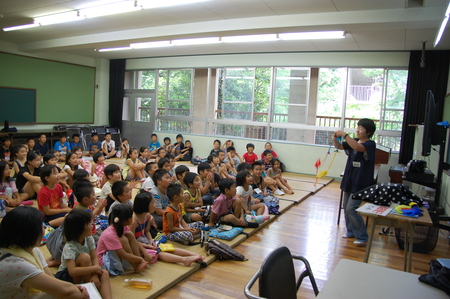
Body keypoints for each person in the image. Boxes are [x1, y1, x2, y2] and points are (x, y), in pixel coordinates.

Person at [0, 206, 90, 299]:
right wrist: (74, 289)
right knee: (73, 293)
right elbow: (67, 291)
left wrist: (73, 288)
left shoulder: (33, 251)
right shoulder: (15, 265)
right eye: (41, 226)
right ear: (31, 234)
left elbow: (52, 279)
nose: (44, 229)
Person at [130, 191, 206, 267]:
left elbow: (146, 232)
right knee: (159, 252)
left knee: (167, 247)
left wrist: (150, 240)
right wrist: (147, 246)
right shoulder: (134, 221)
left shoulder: (147, 216)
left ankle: (193, 254)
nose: (155, 205)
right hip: (138, 246)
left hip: (145, 241)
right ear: (145, 205)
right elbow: (132, 241)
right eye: (153, 203)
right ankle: (184, 260)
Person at [333, 118, 376, 246]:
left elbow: (358, 147)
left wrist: (345, 135)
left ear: (368, 132)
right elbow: (339, 146)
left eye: (361, 128)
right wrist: (335, 138)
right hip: (350, 179)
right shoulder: (355, 141)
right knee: (346, 208)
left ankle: (362, 236)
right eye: (358, 127)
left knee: (351, 208)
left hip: (361, 181)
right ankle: (351, 231)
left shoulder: (370, 144)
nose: (358, 130)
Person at [55, 210, 112, 299]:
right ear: (80, 228)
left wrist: (95, 274)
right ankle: (90, 288)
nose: (92, 226)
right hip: (67, 277)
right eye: (89, 224)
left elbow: (94, 257)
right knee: (84, 257)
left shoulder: (89, 238)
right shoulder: (70, 246)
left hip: (86, 271)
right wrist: (94, 268)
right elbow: (72, 271)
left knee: (104, 273)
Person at [96, 204, 149, 275]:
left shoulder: (123, 226)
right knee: (123, 239)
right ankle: (135, 266)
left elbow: (134, 242)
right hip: (105, 262)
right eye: (130, 217)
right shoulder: (110, 234)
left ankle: (138, 263)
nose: (132, 218)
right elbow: (124, 255)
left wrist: (143, 255)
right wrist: (139, 259)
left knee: (129, 234)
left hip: (116, 255)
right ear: (124, 220)